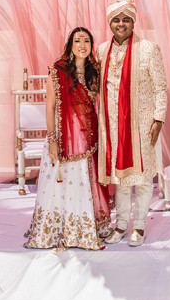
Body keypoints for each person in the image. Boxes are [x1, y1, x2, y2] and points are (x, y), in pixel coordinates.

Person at [24, 27, 112, 250]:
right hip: (63, 138)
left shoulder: (95, 72)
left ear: (92, 46)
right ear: (70, 46)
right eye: (77, 41)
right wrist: (52, 139)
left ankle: (84, 227)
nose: (82, 45)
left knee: (85, 181)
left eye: (86, 41)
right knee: (61, 183)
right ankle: (60, 228)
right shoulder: (58, 71)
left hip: (89, 139)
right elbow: (51, 107)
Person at [98, 0, 167, 247]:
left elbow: (161, 87)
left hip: (142, 126)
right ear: (109, 23)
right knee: (121, 180)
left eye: (126, 19)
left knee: (143, 178)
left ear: (134, 22)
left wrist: (158, 119)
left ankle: (138, 226)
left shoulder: (149, 48)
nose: (121, 24)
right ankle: (120, 225)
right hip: (112, 126)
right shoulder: (102, 50)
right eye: (116, 19)